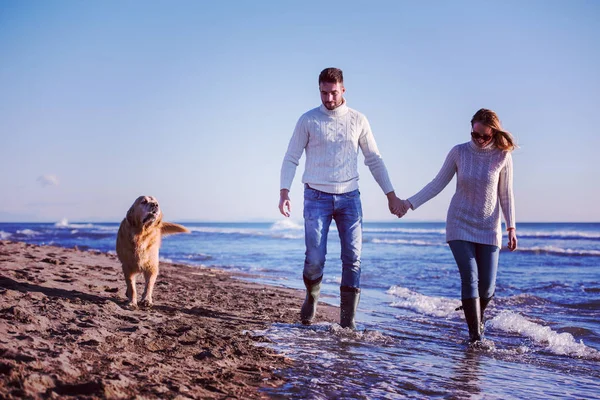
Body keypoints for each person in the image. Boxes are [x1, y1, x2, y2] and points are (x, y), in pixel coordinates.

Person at [279, 67, 404, 329]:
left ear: (343, 90)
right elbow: (292, 157)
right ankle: (312, 297)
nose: (328, 99)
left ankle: (348, 322)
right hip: (316, 196)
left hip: (349, 198)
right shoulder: (308, 120)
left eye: (333, 93)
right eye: (324, 93)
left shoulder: (358, 120)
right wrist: (284, 191)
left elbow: (374, 160)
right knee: (315, 258)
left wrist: (391, 195)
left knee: (353, 257)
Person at [397, 108, 518, 343]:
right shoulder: (459, 152)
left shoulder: (503, 156)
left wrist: (511, 227)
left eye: (485, 136)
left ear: (494, 133)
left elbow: (506, 194)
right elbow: (437, 184)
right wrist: (409, 204)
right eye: (475, 135)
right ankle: (476, 338)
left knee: (488, 289)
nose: (480, 140)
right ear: (471, 128)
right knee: (470, 278)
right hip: (459, 224)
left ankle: (474, 317)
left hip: (489, 228)